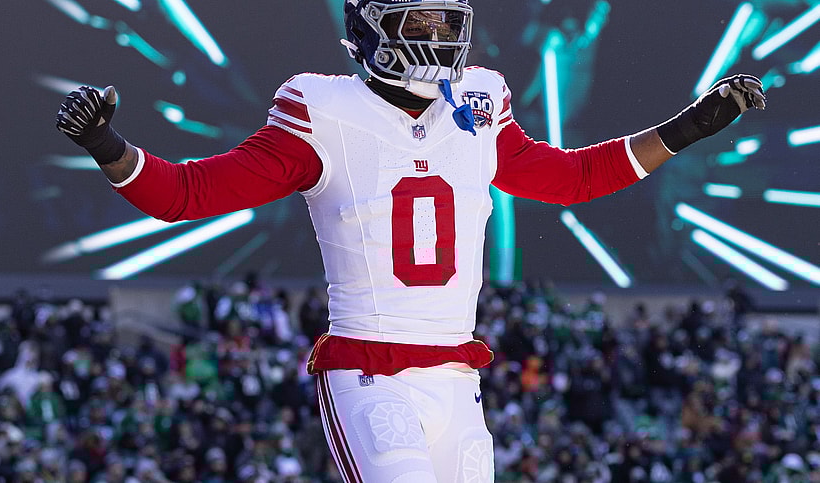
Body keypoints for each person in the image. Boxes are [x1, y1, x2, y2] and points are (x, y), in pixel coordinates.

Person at [55, 1, 766, 481]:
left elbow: (574, 178)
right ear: (370, 26)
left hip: (459, 380)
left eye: (445, 18)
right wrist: (106, 143)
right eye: (420, 19)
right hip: (370, 372)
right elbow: (186, 193)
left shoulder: (481, 102)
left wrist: (691, 126)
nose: (438, 34)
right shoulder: (321, 108)